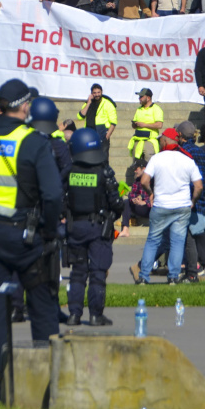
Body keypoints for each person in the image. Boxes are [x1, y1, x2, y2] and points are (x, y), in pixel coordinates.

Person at [0, 79, 62, 399]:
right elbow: (52, 194)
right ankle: (49, 386)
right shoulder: (33, 141)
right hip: (25, 236)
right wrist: (49, 230)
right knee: (42, 307)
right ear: (25, 106)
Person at [63, 127, 123, 326]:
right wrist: (114, 214)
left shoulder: (69, 172)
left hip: (75, 227)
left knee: (77, 273)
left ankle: (74, 315)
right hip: (98, 227)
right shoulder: (104, 172)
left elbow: (59, 198)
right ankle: (96, 315)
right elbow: (116, 203)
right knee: (97, 272)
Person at [130, 128, 202, 285]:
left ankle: (143, 276)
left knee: (153, 240)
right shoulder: (187, 159)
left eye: (161, 139)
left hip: (161, 205)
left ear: (165, 141)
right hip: (182, 206)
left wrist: (151, 193)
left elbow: (143, 181)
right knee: (177, 241)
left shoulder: (157, 159)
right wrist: (193, 201)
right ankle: (173, 277)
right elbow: (198, 185)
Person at [127, 88, 163, 164]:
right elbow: (134, 125)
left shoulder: (156, 109)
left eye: (141, 97)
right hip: (138, 139)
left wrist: (144, 125)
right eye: (139, 97)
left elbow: (159, 125)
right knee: (136, 164)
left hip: (149, 141)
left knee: (149, 163)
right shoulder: (139, 109)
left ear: (148, 98)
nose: (139, 98)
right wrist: (134, 124)